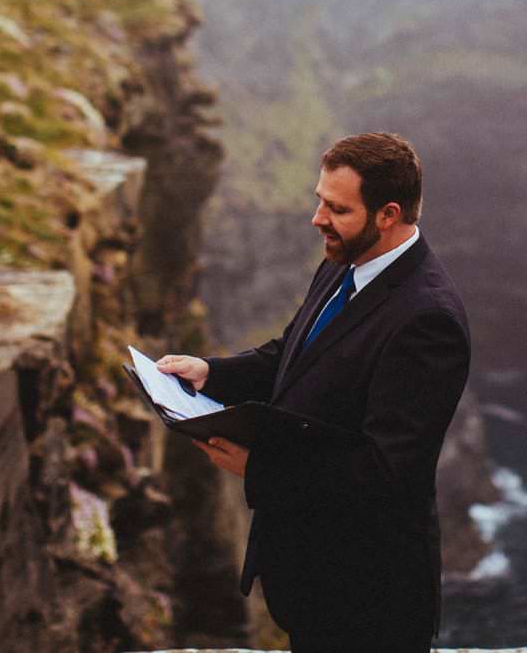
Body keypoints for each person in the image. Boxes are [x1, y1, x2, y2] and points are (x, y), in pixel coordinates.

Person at [158, 132, 471, 653]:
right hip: (313, 582)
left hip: (369, 597)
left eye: (336, 208)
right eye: (319, 200)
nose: (317, 218)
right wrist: (210, 373)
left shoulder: (427, 319)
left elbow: (388, 471)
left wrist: (258, 469)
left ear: (388, 214)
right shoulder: (343, 262)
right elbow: (293, 355)